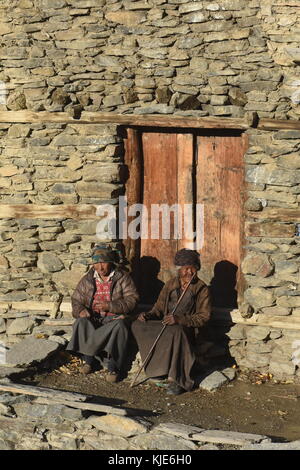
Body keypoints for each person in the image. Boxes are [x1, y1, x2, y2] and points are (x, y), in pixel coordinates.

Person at [131, 248, 211, 395]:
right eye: (186, 269)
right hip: (167, 324)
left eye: (193, 268)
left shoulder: (201, 289)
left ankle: (177, 379)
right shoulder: (170, 284)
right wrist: (148, 315)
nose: (190, 272)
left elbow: (204, 317)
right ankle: (157, 368)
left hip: (187, 328)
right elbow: (159, 308)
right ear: (179, 270)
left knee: (176, 330)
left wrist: (180, 319)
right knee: (137, 325)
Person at [66, 245, 139, 383]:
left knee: (120, 326)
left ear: (110, 262)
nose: (100, 267)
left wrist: (110, 306)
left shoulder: (122, 278)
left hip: (114, 319)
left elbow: (132, 300)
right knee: (81, 323)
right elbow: (76, 299)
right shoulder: (88, 279)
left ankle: (113, 367)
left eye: (103, 263)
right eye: (96, 263)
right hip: (94, 318)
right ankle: (89, 361)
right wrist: (80, 310)